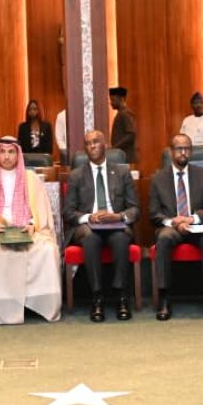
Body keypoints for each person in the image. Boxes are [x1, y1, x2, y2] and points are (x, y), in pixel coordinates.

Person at [0, 137, 61, 324]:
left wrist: (33, 225)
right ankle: (2, 307)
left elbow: (42, 210)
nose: (7, 157)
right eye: (2, 152)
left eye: (11, 152)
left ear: (18, 154)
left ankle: (40, 304)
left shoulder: (31, 179)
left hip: (28, 231)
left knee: (47, 250)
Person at [64, 130, 140, 322]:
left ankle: (121, 296)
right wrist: (89, 217)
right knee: (90, 239)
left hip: (116, 224)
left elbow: (134, 208)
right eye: (88, 143)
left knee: (121, 238)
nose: (92, 146)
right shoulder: (76, 175)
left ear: (105, 145)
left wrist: (118, 216)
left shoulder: (122, 172)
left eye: (96, 142)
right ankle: (96, 298)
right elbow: (68, 212)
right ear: (85, 149)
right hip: (88, 226)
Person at [149, 134, 203, 321]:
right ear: (171, 152)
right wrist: (174, 222)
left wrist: (192, 219)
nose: (183, 152)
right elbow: (154, 213)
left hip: (197, 226)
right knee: (164, 238)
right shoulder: (158, 178)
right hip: (171, 227)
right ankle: (164, 298)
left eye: (187, 148)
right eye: (179, 148)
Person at [109, 86, 138, 163]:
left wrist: (115, 147)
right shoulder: (121, 114)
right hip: (122, 155)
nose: (111, 103)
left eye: (113, 100)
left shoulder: (125, 114)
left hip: (126, 156)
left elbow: (131, 134)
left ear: (121, 99)